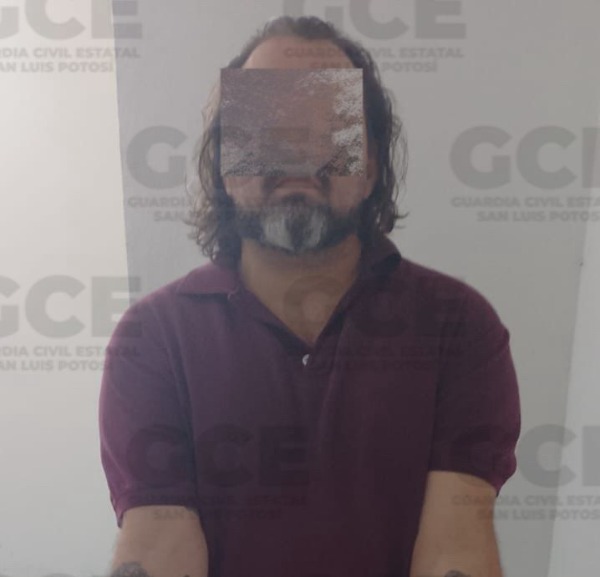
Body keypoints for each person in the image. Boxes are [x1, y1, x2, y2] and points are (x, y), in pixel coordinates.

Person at [99, 16, 521, 577]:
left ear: (370, 166)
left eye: (329, 127)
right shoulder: (152, 339)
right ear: (225, 165)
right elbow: (158, 544)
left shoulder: (459, 326)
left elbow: (456, 548)